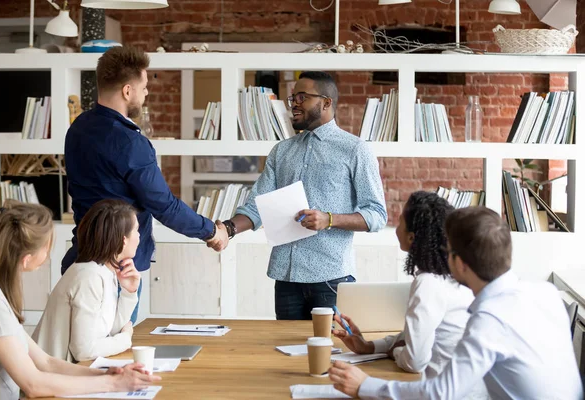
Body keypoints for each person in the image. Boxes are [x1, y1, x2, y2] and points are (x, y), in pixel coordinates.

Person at [329, 206, 583, 400]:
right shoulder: (546, 293)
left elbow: (442, 393)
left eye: (447, 250)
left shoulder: (489, 319)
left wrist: (365, 385)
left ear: (460, 263)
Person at [62, 45, 228, 323]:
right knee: (110, 355)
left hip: (79, 258)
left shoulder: (77, 128)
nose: (146, 93)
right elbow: (162, 203)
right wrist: (211, 231)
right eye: (144, 86)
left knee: (82, 350)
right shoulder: (130, 142)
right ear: (128, 91)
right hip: (117, 268)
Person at [220, 71, 387, 320]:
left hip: (331, 279)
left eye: (302, 97)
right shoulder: (281, 151)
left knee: (329, 354)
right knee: (286, 355)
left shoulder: (355, 150)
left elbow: (376, 215)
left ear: (326, 102)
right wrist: (227, 229)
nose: (294, 104)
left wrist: (329, 219)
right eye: (293, 98)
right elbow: (257, 206)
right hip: (286, 278)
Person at [0, 201, 160, 400]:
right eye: (47, 246)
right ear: (27, 258)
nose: (48, 254)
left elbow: (46, 362)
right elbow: (33, 384)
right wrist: (112, 382)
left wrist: (108, 374)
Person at [333, 191, 475, 379]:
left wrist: (395, 353)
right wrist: (370, 346)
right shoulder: (450, 276)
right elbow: (412, 336)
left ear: (411, 238)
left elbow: (414, 362)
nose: (396, 228)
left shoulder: (429, 285)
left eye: (400, 222)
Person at [34, 199, 141, 362]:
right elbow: (84, 350)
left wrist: (128, 292)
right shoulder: (89, 277)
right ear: (123, 240)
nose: (139, 237)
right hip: (53, 378)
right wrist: (125, 339)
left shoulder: (105, 272)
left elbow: (110, 332)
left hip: (70, 373)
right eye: (136, 231)